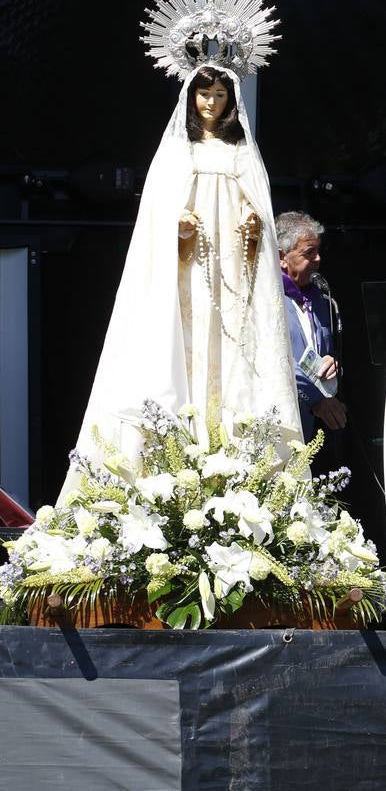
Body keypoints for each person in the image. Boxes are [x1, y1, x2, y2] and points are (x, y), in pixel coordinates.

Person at [61, 62, 301, 502]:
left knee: (232, 360)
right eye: (204, 93)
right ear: (191, 96)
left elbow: (259, 212)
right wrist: (178, 223)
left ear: (232, 101)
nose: (211, 103)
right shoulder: (177, 150)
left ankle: (233, 464)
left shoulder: (242, 152)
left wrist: (252, 225)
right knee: (183, 353)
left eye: (220, 95)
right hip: (187, 273)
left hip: (230, 274)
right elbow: (154, 219)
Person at [276, 211, 347, 449]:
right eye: (309, 252)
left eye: (318, 251)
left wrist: (333, 365)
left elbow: (326, 354)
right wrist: (316, 400)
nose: (318, 259)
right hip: (281, 423)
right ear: (281, 258)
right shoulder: (268, 302)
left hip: (317, 427)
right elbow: (276, 361)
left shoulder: (319, 299)